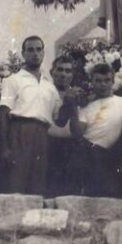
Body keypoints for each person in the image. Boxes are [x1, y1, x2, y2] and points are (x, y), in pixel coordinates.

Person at [64, 63, 122, 197]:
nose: (103, 84)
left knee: (104, 196)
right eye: (98, 81)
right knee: (81, 196)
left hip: (105, 156)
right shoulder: (86, 106)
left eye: (107, 80)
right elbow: (77, 134)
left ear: (113, 81)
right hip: (85, 152)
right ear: (92, 81)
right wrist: (73, 109)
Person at [0, 36, 62, 195]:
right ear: (23, 53)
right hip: (20, 131)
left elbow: (58, 118)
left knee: (38, 183)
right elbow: (4, 113)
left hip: (42, 134)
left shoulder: (50, 86)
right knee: (17, 181)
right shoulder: (13, 80)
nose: (35, 54)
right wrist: (5, 146)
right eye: (30, 50)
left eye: (38, 49)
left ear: (43, 53)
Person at [46, 56, 84, 197]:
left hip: (73, 148)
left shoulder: (80, 94)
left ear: (72, 74)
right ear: (52, 72)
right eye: (60, 70)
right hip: (50, 147)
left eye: (68, 71)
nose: (63, 74)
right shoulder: (45, 92)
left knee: (72, 193)